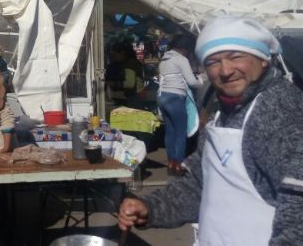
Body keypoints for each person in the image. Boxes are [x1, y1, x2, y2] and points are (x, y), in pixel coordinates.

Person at [118, 16, 303, 245]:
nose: (225, 70)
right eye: (213, 62)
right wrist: (150, 208)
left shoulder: (279, 112)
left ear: (264, 59)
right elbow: (199, 185)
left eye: (236, 57)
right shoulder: (226, 108)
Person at [157, 34, 202, 176]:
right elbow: (191, 82)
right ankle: (179, 165)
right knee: (180, 133)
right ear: (185, 49)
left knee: (170, 132)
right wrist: (201, 79)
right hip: (175, 99)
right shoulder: (181, 59)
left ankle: (171, 163)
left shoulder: (164, 60)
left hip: (162, 98)